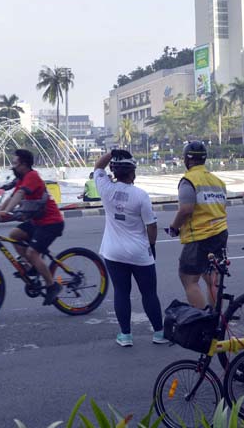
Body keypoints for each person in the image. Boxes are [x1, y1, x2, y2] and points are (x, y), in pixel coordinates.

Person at [93, 149, 166, 347]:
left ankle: (125, 336)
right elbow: (151, 225)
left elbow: (98, 167)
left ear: (115, 172)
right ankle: (159, 333)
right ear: (133, 173)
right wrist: (151, 245)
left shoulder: (105, 189)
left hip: (113, 252)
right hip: (139, 253)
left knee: (121, 292)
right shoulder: (141, 195)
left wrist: (111, 152)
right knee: (149, 293)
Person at [0, 149, 65, 305]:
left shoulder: (32, 177)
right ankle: (33, 266)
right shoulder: (22, 179)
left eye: (15, 163)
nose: (12, 167)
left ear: (24, 164)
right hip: (37, 222)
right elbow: (12, 197)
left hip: (51, 223)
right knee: (14, 235)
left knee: (32, 252)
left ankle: (52, 286)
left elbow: (20, 195)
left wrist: (6, 212)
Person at [167, 141, 229, 309]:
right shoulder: (218, 181)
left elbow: (186, 209)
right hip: (220, 233)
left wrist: (174, 227)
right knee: (212, 278)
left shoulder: (189, 180)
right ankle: (216, 318)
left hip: (200, 237)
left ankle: (201, 321)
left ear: (187, 160)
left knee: (188, 278)